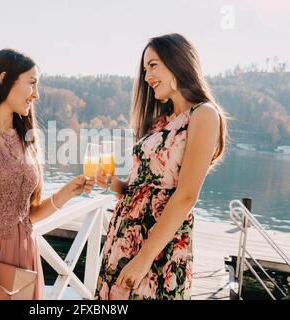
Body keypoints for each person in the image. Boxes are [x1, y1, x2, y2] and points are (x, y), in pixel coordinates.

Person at [0, 49, 94, 300]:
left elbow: (27, 214)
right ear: (4, 79)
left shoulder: (27, 137)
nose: (37, 93)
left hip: (24, 257)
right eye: (32, 83)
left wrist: (67, 193)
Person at [95, 33, 227, 300]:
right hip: (123, 237)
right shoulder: (160, 122)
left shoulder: (203, 114)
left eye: (153, 65)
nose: (146, 77)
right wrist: (115, 184)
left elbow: (187, 195)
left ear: (178, 62)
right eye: (145, 69)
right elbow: (143, 188)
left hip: (157, 248)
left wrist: (143, 259)